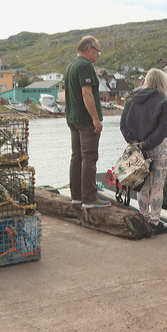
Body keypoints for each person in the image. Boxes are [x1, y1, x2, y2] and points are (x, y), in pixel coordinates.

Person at [120, 68, 167, 235]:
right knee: (157, 186)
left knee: (142, 185)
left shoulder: (131, 100)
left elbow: (123, 125)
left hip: (137, 149)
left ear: (146, 80)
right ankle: (155, 221)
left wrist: (136, 143)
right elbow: (163, 128)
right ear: (162, 82)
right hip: (158, 148)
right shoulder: (164, 100)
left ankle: (144, 219)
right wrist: (148, 143)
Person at [64, 35, 110, 209]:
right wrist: (95, 119)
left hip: (72, 119)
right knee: (89, 158)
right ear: (90, 49)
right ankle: (90, 199)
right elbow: (86, 94)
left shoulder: (71, 66)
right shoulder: (85, 66)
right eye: (97, 50)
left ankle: (76, 197)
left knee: (76, 157)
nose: (98, 54)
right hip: (86, 121)